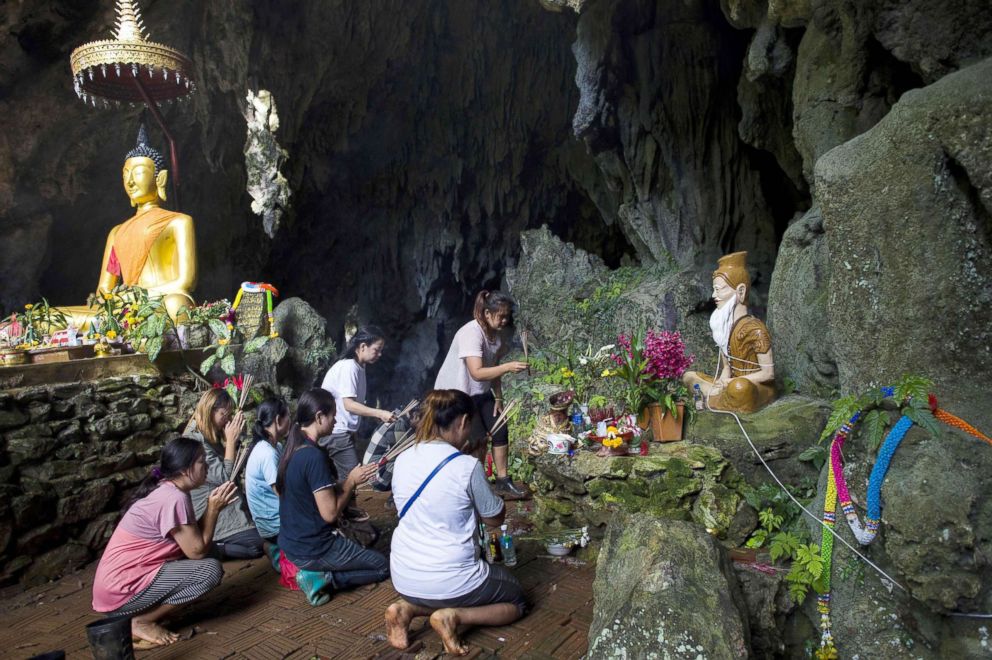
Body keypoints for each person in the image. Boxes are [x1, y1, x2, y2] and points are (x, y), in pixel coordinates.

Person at [385, 389, 526, 656]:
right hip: (454, 579)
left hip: (404, 575)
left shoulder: (402, 459)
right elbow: (495, 518)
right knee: (517, 598)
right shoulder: (466, 467)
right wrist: (475, 466)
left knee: (432, 590)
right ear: (462, 422)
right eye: (469, 424)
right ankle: (453, 617)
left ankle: (406, 609)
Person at [92, 437, 237, 647]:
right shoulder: (173, 498)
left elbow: (195, 541)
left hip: (116, 590)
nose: (206, 466)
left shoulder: (170, 490)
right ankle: (141, 621)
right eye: (201, 461)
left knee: (212, 551)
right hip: (120, 594)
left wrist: (212, 506)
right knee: (209, 570)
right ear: (186, 469)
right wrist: (213, 509)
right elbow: (196, 552)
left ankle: (145, 612)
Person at [277, 388, 389, 599]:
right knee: (382, 566)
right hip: (312, 548)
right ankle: (323, 578)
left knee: (371, 533)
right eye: (333, 416)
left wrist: (342, 484)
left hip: (292, 543)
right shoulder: (312, 457)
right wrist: (352, 481)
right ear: (319, 416)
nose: (336, 421)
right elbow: (329, 514)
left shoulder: (294, 446)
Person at [434, 290, 528, 498]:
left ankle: (503, 480)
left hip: (482, 392)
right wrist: (508, 367)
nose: (504, 320)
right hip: (458, 394)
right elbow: (476, 373)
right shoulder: (471, 333)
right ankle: (473, 483)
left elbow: (492, 367)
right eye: (500, 316)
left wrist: (499, 397)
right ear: (487, 313)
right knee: (475, 439)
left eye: (507, 316)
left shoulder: (495, 335)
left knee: (500, 428)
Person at [682, 251, 776, 413]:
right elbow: (727, 368)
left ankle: (712, 399)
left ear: (740, 291)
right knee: (689, 377)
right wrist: (722, 383)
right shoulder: (724, 328)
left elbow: (768, 374)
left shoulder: (756, 329)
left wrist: (732, 383)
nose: (714, 296)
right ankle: (718, 398)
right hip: (730, 385)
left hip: (754, 387)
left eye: (719, 290)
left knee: (740, 389)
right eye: (714, 290)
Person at [187, 389, 266, 559]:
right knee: (260, 543)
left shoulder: (208, 434)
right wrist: (230, 440)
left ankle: (221, 547)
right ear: (210, 410)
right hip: (210, 512)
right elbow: (225, 478)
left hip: (225, 501)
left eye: (229, 414)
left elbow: (233, 468)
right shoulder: (194, 441)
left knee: (263, 537)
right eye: (224, 414)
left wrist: (232, 440)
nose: (227, 419)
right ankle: (216, 547)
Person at [319, 325, 396, 481]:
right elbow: (349, 405)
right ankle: (342, 504)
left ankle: (344, 504)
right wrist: (379, 413)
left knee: (345, 478)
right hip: (337, 431)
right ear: (362, 347)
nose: (380, 354)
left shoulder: (359, 366)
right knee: (354, 477)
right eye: (377, 349)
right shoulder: (349, 367)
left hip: (342, 430)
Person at [245, 397, 290, 546]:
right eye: (288, 416)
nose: (290, 420)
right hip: (274, 527)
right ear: (278, 420)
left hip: (275, 521)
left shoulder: (274, 446)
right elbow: (281, 492)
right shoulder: (267, 453)